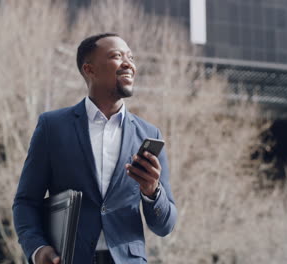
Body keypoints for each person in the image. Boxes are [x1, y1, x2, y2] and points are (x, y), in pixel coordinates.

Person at [13, 33, 177, 264]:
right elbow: (26, 202)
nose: (129, 63)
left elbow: (165, 226)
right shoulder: (52, 127)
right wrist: (38, 248)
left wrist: (152, 192)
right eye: (116, 56)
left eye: (130, 57)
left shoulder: (149, 135)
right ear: (89, 70)